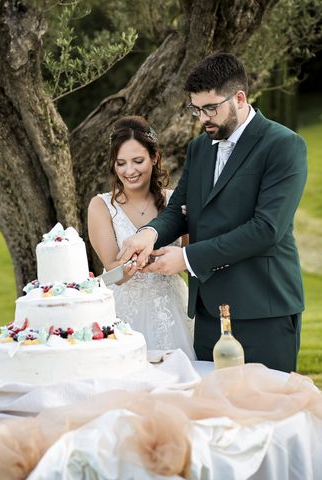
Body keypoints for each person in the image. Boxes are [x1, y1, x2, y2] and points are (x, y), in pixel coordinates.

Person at [117, 53, 307, 373]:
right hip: (207, 314)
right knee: (213, 414)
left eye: (210, 108)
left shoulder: (283, 145)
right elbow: (178, 209)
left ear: (240, 98)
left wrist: (186, 260)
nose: (203, 118)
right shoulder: (199, 148)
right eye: (196, 109)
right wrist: (147, 234)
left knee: (263, 414)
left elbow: (266, 229)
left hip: (263, 310)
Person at [88, 116, 196, 360]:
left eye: (138, 161)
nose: (130, 171)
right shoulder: (102, 207)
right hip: (124, 314)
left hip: (173, 310)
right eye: (121, 163)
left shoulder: (175, 202)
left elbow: (190, 259)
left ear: (154, 157)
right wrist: (138, 263)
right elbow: (113, 273)